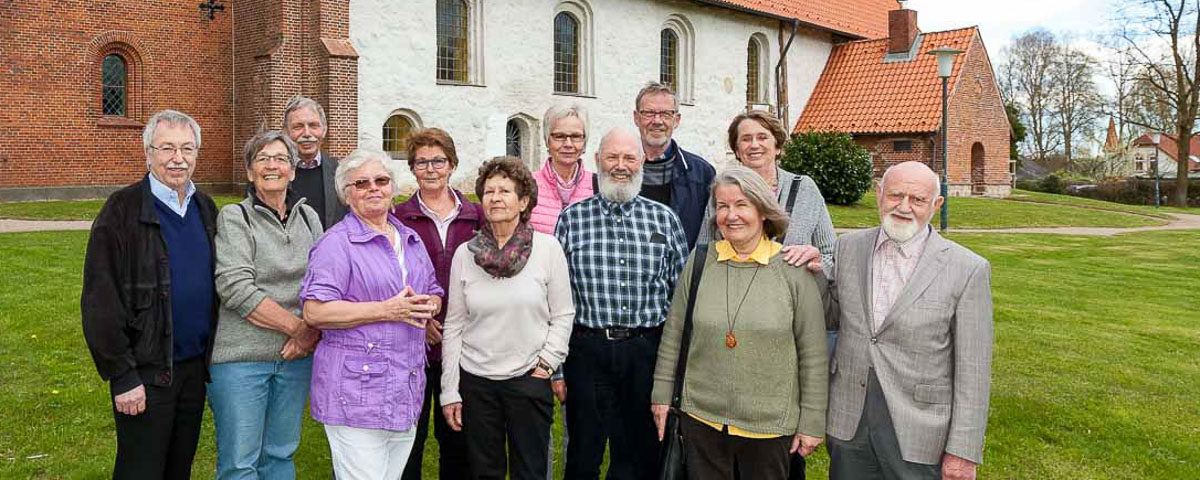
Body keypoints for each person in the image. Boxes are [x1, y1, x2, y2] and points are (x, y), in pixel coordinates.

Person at [650, 166, 828, 480]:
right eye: (723, 206)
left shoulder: (792, 269)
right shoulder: (701, 261)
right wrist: (662, 395)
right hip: (701, 418)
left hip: (769, 427)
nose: (731, 215)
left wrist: (812, 421)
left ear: (762, 210)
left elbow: (813, 354)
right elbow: (674, 333)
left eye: (742, 205)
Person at [826, 161, 993, 480]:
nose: (903, 207)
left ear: (936, 204)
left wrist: (963, 451)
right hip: (849, 420)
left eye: (917, 200)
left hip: (919, 431)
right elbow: (834, 314)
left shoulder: (967, 268)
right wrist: (810, 273)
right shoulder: (847, 247)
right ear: (878, 195)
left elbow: (974, 371)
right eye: (895, 195)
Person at [82, 109, 218, 479]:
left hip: (192, 370)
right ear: (148, 153)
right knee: (140, 470)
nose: (178, 158)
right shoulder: (122, 210)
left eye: (187, 149)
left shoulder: (205, 207)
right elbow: (100, 300)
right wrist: (122, 375)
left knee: (179, 469)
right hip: (145, 372)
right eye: (167, 148)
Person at [299, 149, 444, 480]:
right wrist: (388, 310)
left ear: (392, 187)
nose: (373, 188)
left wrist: (429, 305)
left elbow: (433, 290)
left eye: (381, 180)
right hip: (357, 392)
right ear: (347, 195)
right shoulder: (337, 244)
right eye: (361, 183)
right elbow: (315, 310)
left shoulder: (409, 239)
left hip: (404, 387)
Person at [555, 128, 689, 480]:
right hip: (587, 350)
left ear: (641, 162)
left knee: (642, 454)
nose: (620, 166)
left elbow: (680, 298)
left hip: (645, 351)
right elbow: (555, 299)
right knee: (584, 453)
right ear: (597, 161)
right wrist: (556, 367)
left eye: (629, 158)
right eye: (612, 157)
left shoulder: (664, 219)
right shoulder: (571, 220)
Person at [440, 156, 575, 480]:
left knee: (530, 471)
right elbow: (454, 324)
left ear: (524, 200)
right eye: (489, 191)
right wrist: (450, 390)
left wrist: (546, 364)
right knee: (484, 472)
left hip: (528, 379)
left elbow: (563, 314)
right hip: (476, 383)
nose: (496, 198)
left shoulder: (548, 249)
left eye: (505, 191)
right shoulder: (466, 254)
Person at [209, 130, 324, 479]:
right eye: (262, 159)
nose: (272, 166)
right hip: (241, 360)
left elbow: (326, 285)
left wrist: (311, 334)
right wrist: (300, 330)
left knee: (280, 454)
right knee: (240, 462)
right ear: (249, 172)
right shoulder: (234, 217)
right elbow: (235, 288)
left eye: (280, 159)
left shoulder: (310, 219)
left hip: (295, 362)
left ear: (292, 171)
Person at [393, 128, 483, 480]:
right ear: (413, 168)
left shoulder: (475, 217)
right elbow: (392, 274)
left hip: (463, 348)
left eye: (438, 161)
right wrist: (421, 319)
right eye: (421, 162)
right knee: (408, 443)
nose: (430, 169)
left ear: (452, 165)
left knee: (458, 442)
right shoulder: (398, 217)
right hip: (414, 345)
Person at [696, 111, 836, 274]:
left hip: (792, 294)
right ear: (737, 150)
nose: (754, 145)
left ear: (777, 147)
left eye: (762, 137)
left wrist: (818, 262)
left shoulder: (805, 189)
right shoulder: (722, 191)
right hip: (734, 291)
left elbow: (831, 255)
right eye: (746, 139)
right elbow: (703, 253)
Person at [631, 82, 715, 249]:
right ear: (636, 118)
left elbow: (712, 233)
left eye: (666, 114)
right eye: (648, 113)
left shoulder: (702, 174)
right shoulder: (620, 169)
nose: (657, 121)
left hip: (683, 272)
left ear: (676, 120)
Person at [530, 103, 596, 235]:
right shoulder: (527, 184)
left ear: (584, 142)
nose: (568, 144)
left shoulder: (598, 186)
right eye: (559, 136)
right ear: (547, 141)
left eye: (576, 137)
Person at [284, 95, 349, 229]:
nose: (307, 133)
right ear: (285, 132)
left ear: (324, 130)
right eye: (298, 127)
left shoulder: (342, 173)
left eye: (313, 126)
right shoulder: (275, 173)